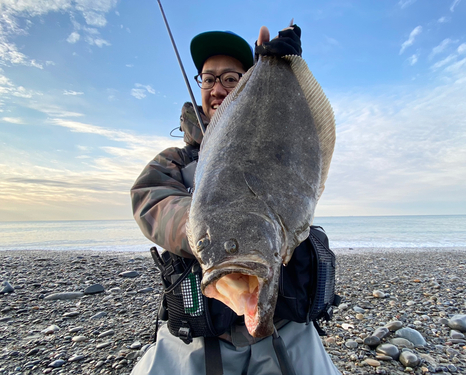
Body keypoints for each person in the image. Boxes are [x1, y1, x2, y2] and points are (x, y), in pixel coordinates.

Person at [130, 25, 341, 375]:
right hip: (196, 342)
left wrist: (285, 66)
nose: (217, 89)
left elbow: (306, 182)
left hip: (286, 330)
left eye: (231, 79)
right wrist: (214, 226)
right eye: (208, 79)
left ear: (245, 83)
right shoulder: (176, 161)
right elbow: (149, 202)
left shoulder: (278, 153)